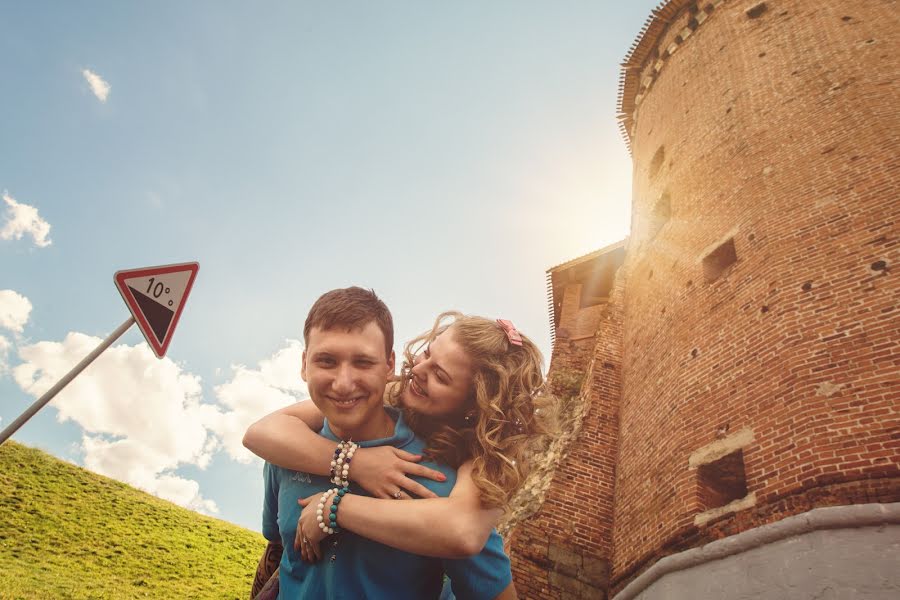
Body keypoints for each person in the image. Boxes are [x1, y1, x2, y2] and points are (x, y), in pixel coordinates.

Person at [246, 287, 549, 599]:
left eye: (441, 377)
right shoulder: (292, 449)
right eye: (428, 354)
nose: (416, 370)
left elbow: (465, 537)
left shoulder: (450, 483)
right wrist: (355, 461)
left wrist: (333, 506)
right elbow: (277, 551)